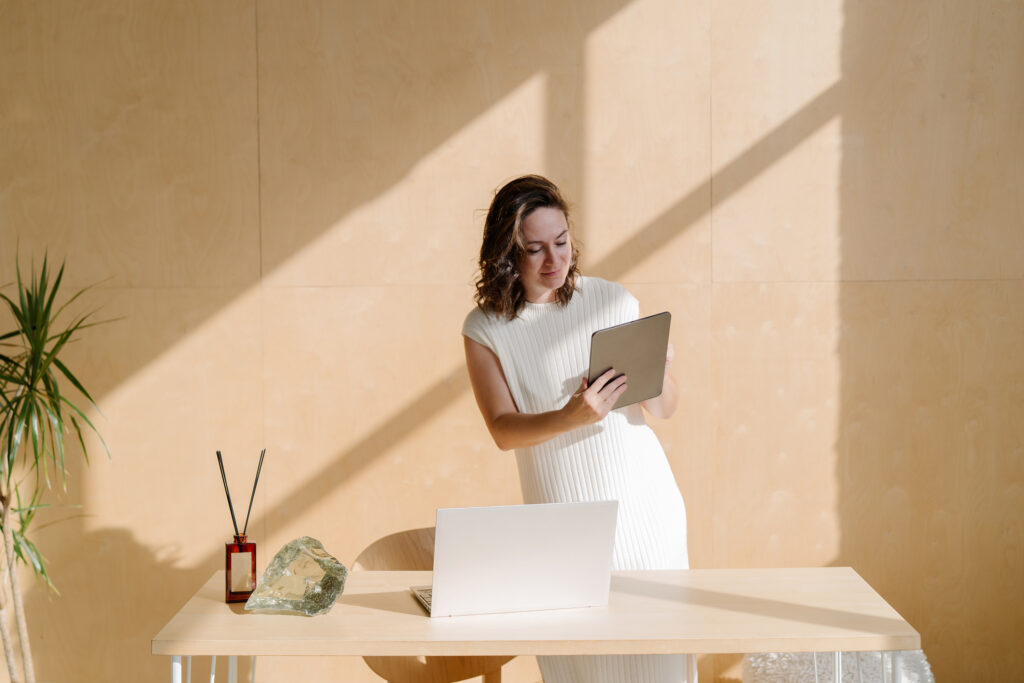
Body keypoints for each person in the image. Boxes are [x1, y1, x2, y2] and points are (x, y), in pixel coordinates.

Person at [462, 175, 690, 683]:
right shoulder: (485, 329)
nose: (555, 261)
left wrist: (655, 371)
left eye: (562, 243)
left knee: (658, 670)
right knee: (578, 671)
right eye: (535, 249)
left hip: (646, 518)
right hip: (563, 529)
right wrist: (571, 416)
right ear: (506, 255)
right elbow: (502, 430)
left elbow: (667, 408)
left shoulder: (612, 301)